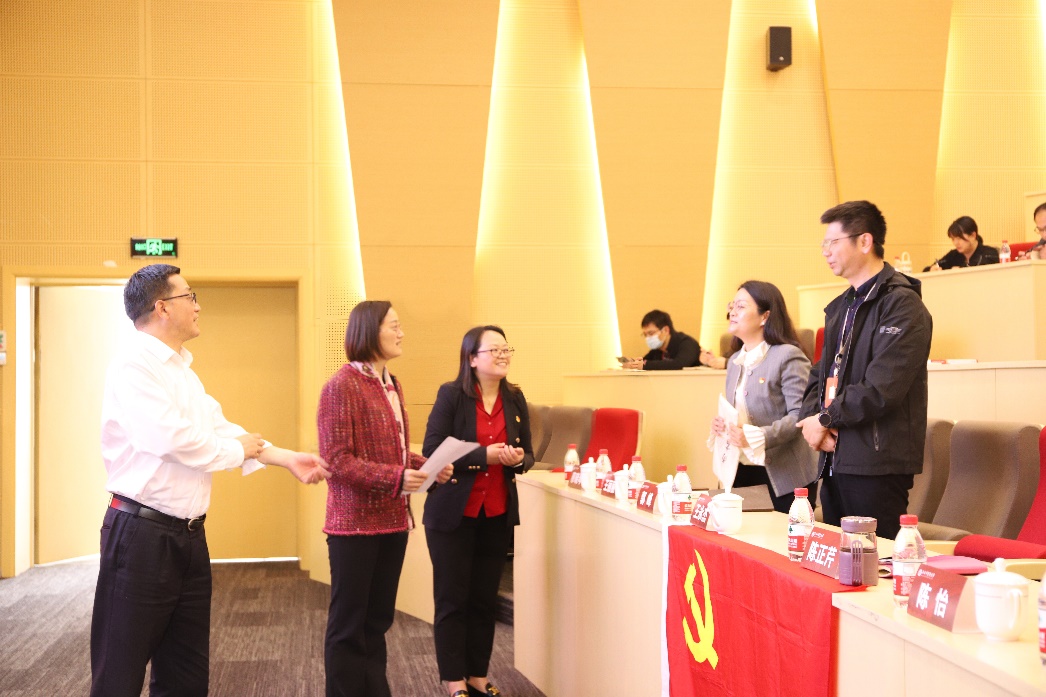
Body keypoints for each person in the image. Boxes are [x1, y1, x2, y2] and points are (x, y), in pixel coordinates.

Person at [91, 263, 331, 697]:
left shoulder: (182, 371)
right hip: (141, 536)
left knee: (186, 670)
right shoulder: (134, 364)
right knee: (119, 672)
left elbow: (220, 429)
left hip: (187, 537)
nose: (198, 306)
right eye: (190, 296)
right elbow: (172, 440)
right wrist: (237, 450)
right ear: (163, 307)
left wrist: (285, 458)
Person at [319, 300, 454, 697]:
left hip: (393, 522)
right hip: (354, 527)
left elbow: (391, 451)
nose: (401, 333)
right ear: (369, 331)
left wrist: (427, 466)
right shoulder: (341, 386)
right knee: (348, 626)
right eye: (394, 326)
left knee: (376, 622)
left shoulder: (391, 383)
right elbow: (337, 460)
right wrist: (398, 477)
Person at [797, 201, 933, 541]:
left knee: (874, 561)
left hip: (876, 463)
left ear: (864, 241)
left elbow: (881, 388)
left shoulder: (902, 305)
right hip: (836, 456)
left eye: (833, 242)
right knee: (838, 559)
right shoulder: (842, 306)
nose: (826, 251)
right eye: (824, 244)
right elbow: (820, 373)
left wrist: (825, 419)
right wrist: (812, 420)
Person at [422, 326, 534, 697]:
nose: (503, 355)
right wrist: (484, 456)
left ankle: (476, 675)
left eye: (506, 349)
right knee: (452, 599)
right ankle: (453, 679)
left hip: (496, 512)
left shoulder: (515, 397)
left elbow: (529, 452)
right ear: (472, 358)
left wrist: (518, 458)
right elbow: (432, 449)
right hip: (453, 512)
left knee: (484, 600)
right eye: (494, 350)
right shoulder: (451, 395)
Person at [708, 281, 819, 513]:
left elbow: (800, 416)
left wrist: (757, 436)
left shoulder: (788, 356)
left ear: (764, 316)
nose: (732, 312)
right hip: (741, 468)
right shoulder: (735, 360)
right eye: (732, 306)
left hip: (784, 474)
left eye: (741, 306)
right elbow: (739, 413)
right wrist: (723, 425)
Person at [624, 309, 723, 369]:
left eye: (651, 333)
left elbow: (678, 364)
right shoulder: (657, 350)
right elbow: (645, 361)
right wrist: (632, 363)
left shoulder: (687, 343)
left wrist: (644, 365)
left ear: (666, 330)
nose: (648, 338)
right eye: (645, 335)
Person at [924, 216, 999, 270]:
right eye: (953, 239)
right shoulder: (954, 255)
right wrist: (931, 270)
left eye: (959, 238)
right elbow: (930, 268)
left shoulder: (990, 253)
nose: (955, 243)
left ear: (973, 235)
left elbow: (978, 271)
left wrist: (960, 270)